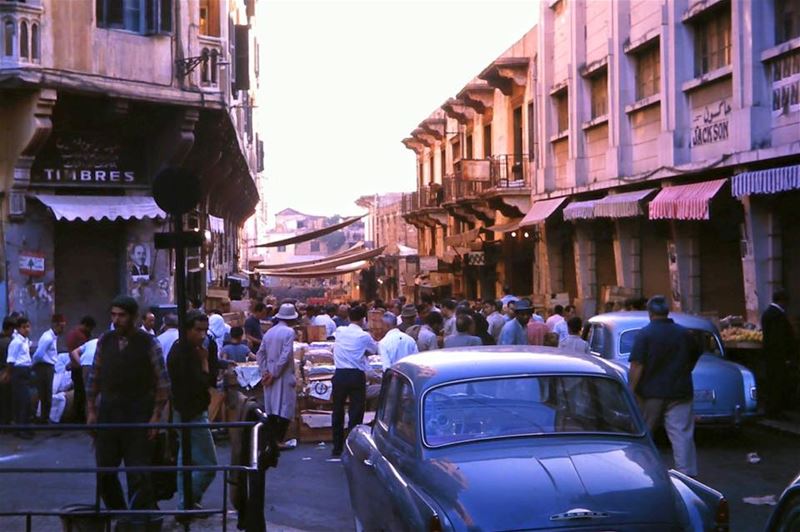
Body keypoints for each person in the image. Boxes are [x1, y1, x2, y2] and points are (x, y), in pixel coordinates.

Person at [86, 295, 170, 511]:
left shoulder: (149, 342)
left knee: (138, 474)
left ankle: (139, 519)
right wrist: (91, 411)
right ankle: (119, 513)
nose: (117, 320)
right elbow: (94, 378)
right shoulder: (105, 341)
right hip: (109, 414)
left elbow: (163, 382)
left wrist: (155, 417)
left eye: (121, 315)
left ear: (132, 317)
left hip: (138, 415)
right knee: (105, 472)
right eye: (114, 315)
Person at [629, 295, 701, 477]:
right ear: (668, 311)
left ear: (650, 312)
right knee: (682, 434)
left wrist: (631, 389)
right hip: (680, 390)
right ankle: (687, 475)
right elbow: (694, 356)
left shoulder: (644, 334)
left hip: (650, 392)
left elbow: (637, 365)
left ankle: (642, 471)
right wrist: (685, 370)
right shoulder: (684, 334)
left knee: (645, 433)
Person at [167, 310, 220, 513]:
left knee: (185, 460)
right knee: (209, 465)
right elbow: (202, 383)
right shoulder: (185, 353)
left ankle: (185, 503)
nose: (202, 335)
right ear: (187, 329)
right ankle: (188, 500)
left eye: (205, 330)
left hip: (187, 411)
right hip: (191, 413)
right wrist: (205, 363)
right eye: (198, 330)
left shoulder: (189, 349)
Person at [330, 306, 378, 458]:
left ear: (349, 318)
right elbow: (374, 350)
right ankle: (351, 445)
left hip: (340, 374)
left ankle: (336, 447)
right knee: (356, 412)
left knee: (337, 410)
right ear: (363, 319)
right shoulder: (364, 336)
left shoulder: (340, 331)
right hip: (356, 375)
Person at [258, 303, 299, 446]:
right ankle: (277, 440)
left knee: (272, 407)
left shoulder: (269, 332)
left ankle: (272, 439)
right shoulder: (289, 332)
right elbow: (285, 355)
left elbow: (260, 353)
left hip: (270, 373)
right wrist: (274, 373)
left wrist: (265, 371)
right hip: (283, 374)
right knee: (285, 407)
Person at [761, 289, 798, 419]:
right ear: (782, 301)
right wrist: (787, 356)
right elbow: (780, 338)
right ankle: (774, 411)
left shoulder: (768, 313)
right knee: (777, 383)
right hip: (777, 356)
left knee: (772, 382)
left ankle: (771, 409)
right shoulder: (777, 315)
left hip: (771, 356)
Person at [32, 314, 67, 424]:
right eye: (61, 326)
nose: (63, 329)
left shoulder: (53, 337)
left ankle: (44, 418)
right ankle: (43, 418)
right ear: (55, 325)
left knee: (47, 394)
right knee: (44, 394)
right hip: (44, 367)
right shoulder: (47, 338)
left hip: (49, 367)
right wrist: (33, 365)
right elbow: (38, 354)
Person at [64, 315, 96, 423]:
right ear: (86, 326)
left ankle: (78, 416)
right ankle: (80, 417)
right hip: (79, 367)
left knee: (79, 392)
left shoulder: (73, 333)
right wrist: (81, 364)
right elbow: (77, 352)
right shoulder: (80, 336)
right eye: (90, 328)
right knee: (82, 393)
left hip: (76, 366)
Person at [7, 317, 33, 438]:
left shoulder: (25, 341)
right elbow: (11, 360)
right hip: (19, 372)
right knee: (22, 401)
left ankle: (23, 427)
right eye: (24, 327)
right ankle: (21, 429)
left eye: (28, 326)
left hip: (26, 370)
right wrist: (8, 373)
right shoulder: (16, 342)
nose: (27, 329)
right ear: (18, 328)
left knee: (26, 402)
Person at [0, 317, 16, 427]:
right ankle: (6, 423)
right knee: (7, 401)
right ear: (10, 328)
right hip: (7, 373)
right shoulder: (11, 342)